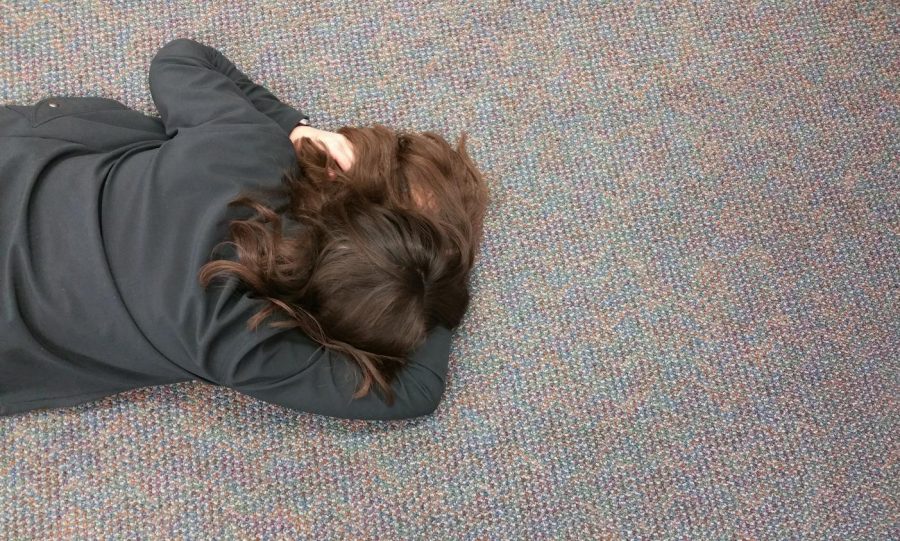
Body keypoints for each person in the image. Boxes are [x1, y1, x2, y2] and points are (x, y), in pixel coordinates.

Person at [0, 38, 489, 420]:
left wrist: (294, 128)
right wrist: (431, 295)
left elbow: (179, 58)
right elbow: (416, 391)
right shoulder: (238, 339)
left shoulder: (249, 148)